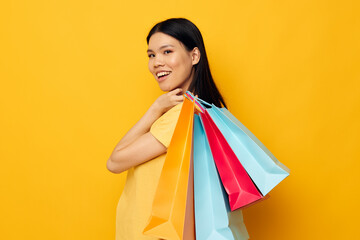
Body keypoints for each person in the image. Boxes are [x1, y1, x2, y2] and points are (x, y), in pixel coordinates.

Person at [107, 18, 230, 240]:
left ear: (194, 56)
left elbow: (115, 162)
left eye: (167, 52)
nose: (156, 63)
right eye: (151, 55)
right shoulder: (209, 111)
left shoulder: (180, 117)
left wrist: (155, 109)